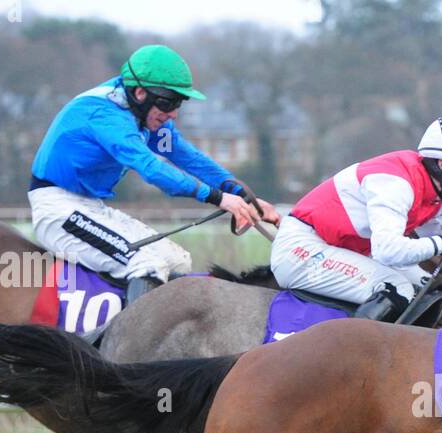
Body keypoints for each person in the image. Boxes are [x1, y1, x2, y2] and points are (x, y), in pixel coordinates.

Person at [28, 44, 280, 303]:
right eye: (168, 102)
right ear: (140, 93)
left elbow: (188, 158)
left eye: (178, 102)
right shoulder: (106, 116)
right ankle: (130, 343)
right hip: (58, 211)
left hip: (90, 207)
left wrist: (242, 196)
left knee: (178, 260)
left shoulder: (143, 114)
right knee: (147, 263)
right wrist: (218, 198)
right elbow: (150, 168)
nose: (173, 113)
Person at [271, 114, 442, 322]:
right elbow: (388, 251)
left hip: (342, 249)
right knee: (396, 288)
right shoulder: (394, 183)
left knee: (428, 286)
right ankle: (349, 362)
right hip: (301, 251)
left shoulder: (435, 196)